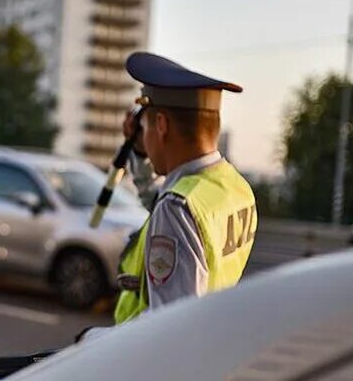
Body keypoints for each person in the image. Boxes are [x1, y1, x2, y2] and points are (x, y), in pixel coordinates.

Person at [110, 51, 259, 325]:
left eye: (144, 127)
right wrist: (142, 154)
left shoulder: (177, 208)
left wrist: (92, 342)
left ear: (162, 125)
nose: (142, 136)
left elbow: (169, 324)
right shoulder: (236, 188)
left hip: (149, 360)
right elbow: (161, 197)